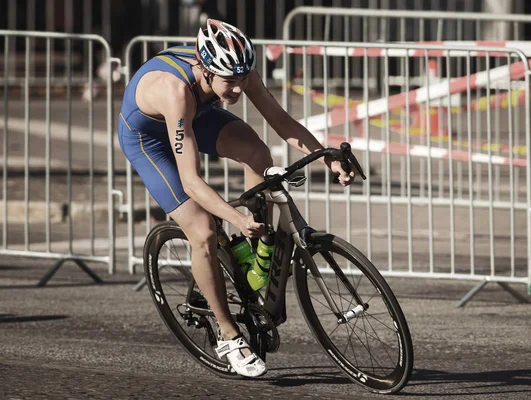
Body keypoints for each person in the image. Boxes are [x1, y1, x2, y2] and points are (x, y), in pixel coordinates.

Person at [117, 19, 354, 377]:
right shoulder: (175, 91)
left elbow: (283, 122)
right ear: (206, 69)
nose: (239, 89)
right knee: (203, 231)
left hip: (196, 118)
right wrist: (234, 216)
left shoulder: (239, 72)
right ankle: (228, 336)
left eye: (242, 78)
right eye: (229, 81)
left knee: (259, 154)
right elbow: (192, 182)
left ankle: (248, 258)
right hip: (149, 139)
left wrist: (327, 156)